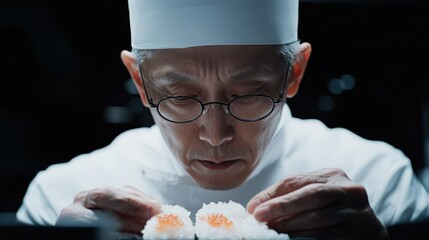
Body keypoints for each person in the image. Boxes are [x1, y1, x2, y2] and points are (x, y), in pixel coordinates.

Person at [16, 0, 429, 239]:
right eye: (179, 96)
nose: (215, 136)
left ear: (294, 73)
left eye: (248, 94)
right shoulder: (60, 198)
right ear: (140, 83)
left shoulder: (378, 182)